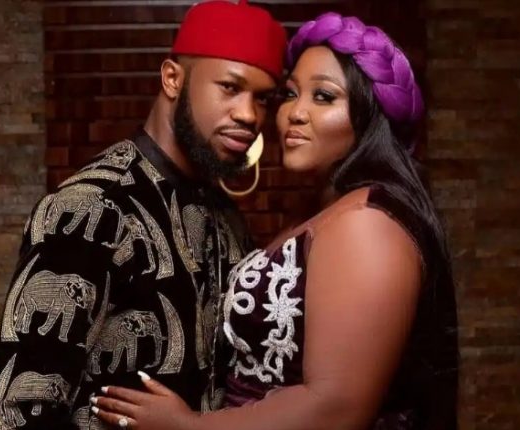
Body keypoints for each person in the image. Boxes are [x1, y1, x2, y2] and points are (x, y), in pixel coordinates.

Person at [91, 12, 459, 430]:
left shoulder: (367, 224)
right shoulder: (328, 214)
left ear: (371, 116)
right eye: (290, 94)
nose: (294, 113)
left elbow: (337, 407)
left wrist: (188, 426)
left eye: (323, 97)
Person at [0, 1, 287, 429]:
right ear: (172, 79)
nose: (249, 115)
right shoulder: (92, 205)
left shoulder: (226, 217)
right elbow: (17, 411)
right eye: (229, 87)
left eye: (262, 99)